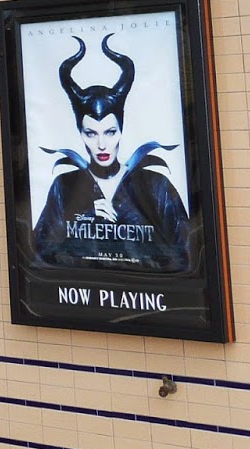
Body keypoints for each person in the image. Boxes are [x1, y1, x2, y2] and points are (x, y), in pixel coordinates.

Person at [31, 35, 191, 272]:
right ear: (80, 133)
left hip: (145, 291)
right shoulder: (64, 187)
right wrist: (84, 216)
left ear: (121, 130)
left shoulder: (155, 185)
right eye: (91, 133)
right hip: (79, 289)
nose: (102, 144)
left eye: (110, 132)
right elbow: (40, 253)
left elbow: (185, 254)